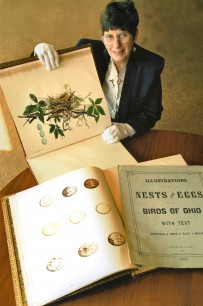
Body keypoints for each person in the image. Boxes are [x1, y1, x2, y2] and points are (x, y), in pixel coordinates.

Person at [34, 0, 164, 144]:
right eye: (109, 37)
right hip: (83, 132)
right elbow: (54, 73)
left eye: (123, 35)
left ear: (135, 35)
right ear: (102, 37)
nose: (116, 45)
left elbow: (152, 112)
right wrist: (38, 51)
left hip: (124, 139)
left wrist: (127, 128)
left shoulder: (151, 65)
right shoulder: (86, 50)